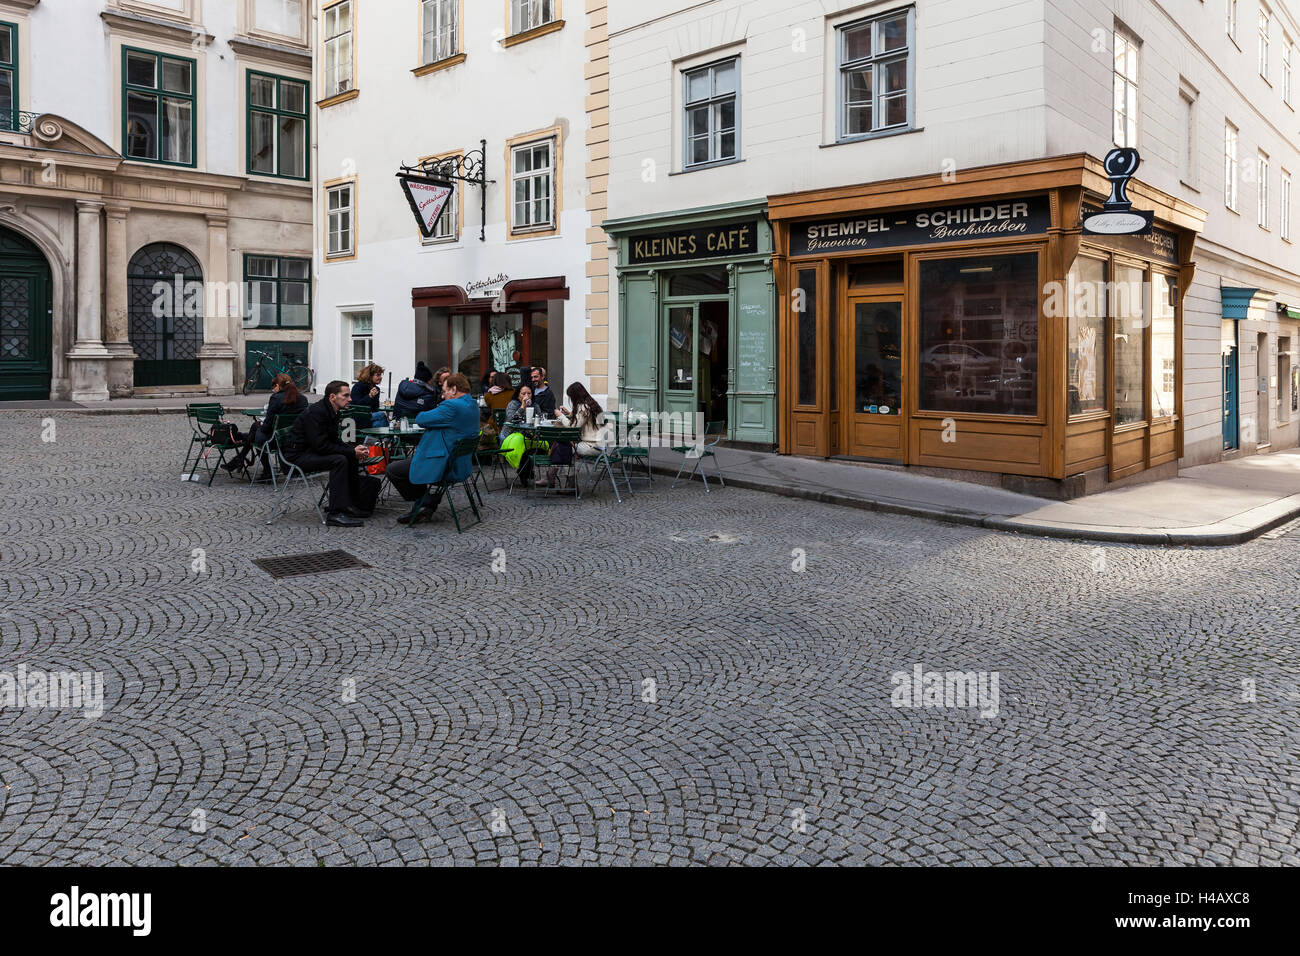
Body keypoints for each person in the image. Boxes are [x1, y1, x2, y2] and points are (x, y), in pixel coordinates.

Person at [386, 372, 480, 524]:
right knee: (410, 464)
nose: (443, 396)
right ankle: (425, 503)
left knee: (393, 469)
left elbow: (422, 419)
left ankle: (424, 502)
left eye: (444, 391)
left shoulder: (452, 406)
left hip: (445, 464)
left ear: (454, 389)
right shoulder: (472, 404)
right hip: (461, 463)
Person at [282, 380, 371, 527]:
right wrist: (350, 450)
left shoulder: (331, 410)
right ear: (332, 397)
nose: (350, 399)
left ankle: (349, 505)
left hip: (310, 451)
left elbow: (333, 440)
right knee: (339, 460)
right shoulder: (318, 412)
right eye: (346, 395)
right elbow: (322, 446)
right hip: (296, 456)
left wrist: (353, 450)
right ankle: (335, 513)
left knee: (350, 457)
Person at [223, 373, 308, 475]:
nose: (273, 390)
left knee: (257, 433)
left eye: (273, 387)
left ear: (277, 385)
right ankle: (240, 458)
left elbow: (266, 428)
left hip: (278, 440)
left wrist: (262, 424)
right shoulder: (303, 399)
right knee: (256, 430)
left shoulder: (276, 398)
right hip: (295, 438)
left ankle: (265, 469)